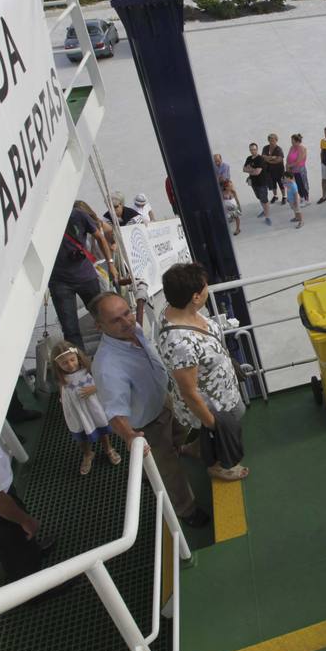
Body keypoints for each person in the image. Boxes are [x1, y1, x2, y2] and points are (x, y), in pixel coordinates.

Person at [91, 293, 209, 527]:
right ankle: (187, 510)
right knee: (170, 470)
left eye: (127, 312)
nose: (127, 322)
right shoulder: (107, 366)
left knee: (180, 433)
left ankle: (170, 457)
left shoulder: (131, 330)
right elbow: (114, 412)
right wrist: (130, 436)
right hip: (147, 425)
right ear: (99, 326)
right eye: (116, 320)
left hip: (162, 400)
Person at [156, 263, 249, 482]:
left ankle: (195, 447)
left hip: (222, 390)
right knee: (228, 423)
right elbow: (189, 392)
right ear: (195, 297)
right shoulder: (180, 345)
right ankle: (217, 466)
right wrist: (214, 425)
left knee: (236, 414)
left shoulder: (177, 309)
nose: (209, 288)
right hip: (213, 404)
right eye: (205, 286)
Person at [0, 442, 57, 583]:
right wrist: (26, 521)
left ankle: (33, 554)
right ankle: (36, 592)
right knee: (14, 549)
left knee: (21, 541)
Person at [49, 202, 112, 352]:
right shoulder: (43, 220)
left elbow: (101, 237)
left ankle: (116, 347)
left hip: (86, 277)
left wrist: (111, 264)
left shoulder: (78, 215)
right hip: (59, 282)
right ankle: (81, 365)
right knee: (70, 329)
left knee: (103, 316)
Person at [53, 341, 122, 475]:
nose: (70, 365)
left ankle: (108, 449)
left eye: (72, 360)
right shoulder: (62, 379)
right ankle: (87, 454)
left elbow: (103, 383)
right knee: (81, 435)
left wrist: (95, 388)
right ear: (58, 365)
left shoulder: (89, 370)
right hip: (77, 412)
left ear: (78, 357)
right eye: (64, 363)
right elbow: (64, 394)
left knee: (102, 429)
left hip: (94, 407)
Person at [242, 143, 272, 226]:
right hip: (253, 183)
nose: (252, 151)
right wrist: (252, 170)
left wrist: (250, 169)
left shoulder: (260, 159)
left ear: (257, 149)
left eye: (254, 149)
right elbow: (244, 169)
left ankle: (267, 217)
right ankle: (264, 210)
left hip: (262, 182)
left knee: (264, 199)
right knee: (259, 197)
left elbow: (257, 173)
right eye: (251, 149)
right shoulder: (249, 158)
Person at [262, 134, 286, 204]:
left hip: (279, 170)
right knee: (273, 184)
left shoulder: (279, 149)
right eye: (270, 139)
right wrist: (272, 157)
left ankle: (284, 196)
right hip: (269, 170)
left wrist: (268, 159)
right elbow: (263, 157)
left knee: (281, 184)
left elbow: (279, 159)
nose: (271, 141)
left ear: (276, 140)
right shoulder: (265, 148)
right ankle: (275, 196)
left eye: (273, 139)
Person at [286, 134, 310, 204]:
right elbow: (288, 157)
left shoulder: (302, 148)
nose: (292, 143)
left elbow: (299, 161)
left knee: (302, 184)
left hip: (300, 170)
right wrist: (287, 165)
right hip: (292, 170)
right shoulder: (291, 147)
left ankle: (306, 199)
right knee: (296, 185)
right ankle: (301, 198)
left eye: (293, 142)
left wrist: (290, 165)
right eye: (291, 141)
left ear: (298, 142)